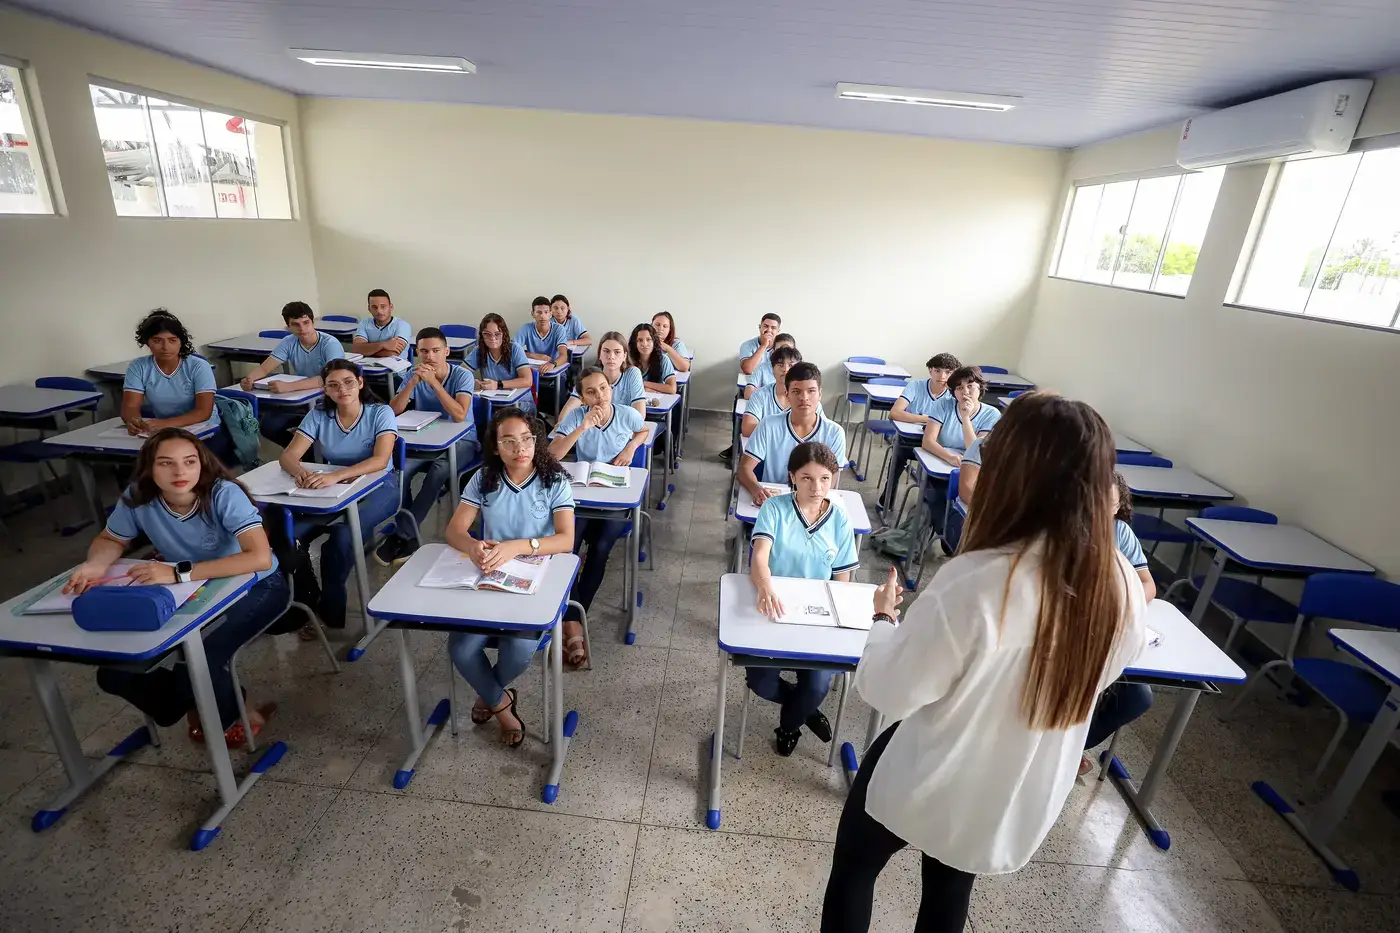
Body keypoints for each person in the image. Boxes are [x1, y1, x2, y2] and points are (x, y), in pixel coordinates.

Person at [821, 392, 1147, 933]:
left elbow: (887, 689)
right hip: (1013, 780)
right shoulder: (1119, 581)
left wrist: (882, 622)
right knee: (949, 891)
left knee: (855, 867)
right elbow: (1103, 675)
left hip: (935, 763)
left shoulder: (980, 582)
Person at [66, 429, 286, 747]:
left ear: (202, 463)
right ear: (149, 469)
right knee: (114, 671)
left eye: (189, 461)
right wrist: (94, 565)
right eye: (166, 463)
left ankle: (227, 714)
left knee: (205, 656)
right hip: (191, 590)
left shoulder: (223, 493)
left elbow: (260, 558)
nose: (180, 472)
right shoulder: (138, 497)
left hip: (256, 585)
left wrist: (179, 573)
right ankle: (187, 702)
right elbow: (111, 539)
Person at [445, 408, 575, 748]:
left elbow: (565, 540)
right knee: (461, 649)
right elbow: (455, 530)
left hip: (538, 576)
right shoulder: (483, 478)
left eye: (527, 439)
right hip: (490, 574)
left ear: (536, 442)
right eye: (509, 441)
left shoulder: (554, 480)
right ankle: (503, 707)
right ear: (496, 447)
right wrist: (472, 546)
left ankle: (489, 696)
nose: (520, 448)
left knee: (518, 650)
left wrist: (521, 546)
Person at [748, 442, 859, 756]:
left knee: (818, 686)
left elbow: (842, 581)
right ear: (793, 477)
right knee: (761, 681)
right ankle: (805, 709)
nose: (817, 487)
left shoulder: (839, 519)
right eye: (807, 478)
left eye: (825, 479)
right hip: (773, 607)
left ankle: (788, 725)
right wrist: (765, 586)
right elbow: (760, 557)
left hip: (815, 615)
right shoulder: (775, 508)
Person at [279, 359, 400, 629]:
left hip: (380, 486)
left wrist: (335, 475)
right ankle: (307, 598)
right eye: (333, 385)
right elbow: (288, 455)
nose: (341, 390)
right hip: (333, 490)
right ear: (325, 390)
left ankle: (330, 612)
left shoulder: (380, 413)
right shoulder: (319, 414)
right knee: (288, 536)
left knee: (341, 538)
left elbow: (380, 460)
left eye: (347, 382)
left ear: (360, 383)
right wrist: (299, 471)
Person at [549, 368, 649, 667]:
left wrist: (632, 446)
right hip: (581, 495)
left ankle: (573, 620)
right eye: (591, 392)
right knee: (566, 546)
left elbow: (643, 430)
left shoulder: (627, 414)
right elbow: (553, 454)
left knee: (601, 548)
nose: (600, 396)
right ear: (582, 397)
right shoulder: (577, 416)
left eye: (604, 389)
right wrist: (582, 428)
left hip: (615, 498)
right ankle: (574, 625)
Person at [378, 327, 480, 566]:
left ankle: (402, 533)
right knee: (401, 468)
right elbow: (393, 411)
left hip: (463, 439)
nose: (430, 356)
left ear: (446, 351)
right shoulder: (415, 374)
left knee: (438, 472)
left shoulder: (462, 375)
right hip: (425, 439)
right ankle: (410, 534)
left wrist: (434, 383)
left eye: (435, 351)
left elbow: (459, 414)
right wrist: (412, 383)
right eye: (424, 351)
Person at [739, 362, 847, 505]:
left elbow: (831, 481)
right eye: (796, 391)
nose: (804, 397)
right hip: (773, 501)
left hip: (812, 503)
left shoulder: (834, 433)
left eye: (811, 391)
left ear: (820, 394)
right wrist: (757, 490)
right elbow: (744, 469)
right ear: (787, 395)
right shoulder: (769, 425)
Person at [240, 301, 346, 445]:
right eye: (296, 324)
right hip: (303, 398)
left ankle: (311, 452)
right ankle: (304, 454)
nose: (302, 328)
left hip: (330, 400)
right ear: (288, 327)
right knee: (269, 426)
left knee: (317, 429)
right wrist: (249, 379)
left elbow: (329, 379)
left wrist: (290, 387)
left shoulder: (330, 343)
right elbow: (265, 368)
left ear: (313, 321)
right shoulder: (289, 342)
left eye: (306, 322)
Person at [122, 309, 220, 437]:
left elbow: (203, 412)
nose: (165, 347)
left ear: (181, 342)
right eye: (157, 341)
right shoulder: (138, 367)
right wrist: (134, 421)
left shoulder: (199, 366)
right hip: (165, 431)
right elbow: (130, 406)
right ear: (147, 342)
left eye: (172, 340)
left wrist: (165, 424)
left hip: (205, 430)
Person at [721, 312, 782, 462]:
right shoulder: (748, 345)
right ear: (759, 327)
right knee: (740, 407)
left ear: (778, 331)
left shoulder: (782, 347)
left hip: (776, 393)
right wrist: (763, 346)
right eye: (765, 326)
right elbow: (747, 369)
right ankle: (736, 447)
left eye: (773, 328)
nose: (769, 330)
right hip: (751, 391)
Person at [921, 366, 1001, 467]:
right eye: (959, 388)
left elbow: (975, 453)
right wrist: (949, 457)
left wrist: (965, 418)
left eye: (970, 386)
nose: (965, 392)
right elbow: (927, 441)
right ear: (954, 392)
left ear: (980, 387)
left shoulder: (992, 414)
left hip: (972, 465)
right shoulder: (943, 404)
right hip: (941, 458)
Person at [558, 331, 645, 420]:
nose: (611, 357)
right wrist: (561, 425)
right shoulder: (589, 375)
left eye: (617, 352)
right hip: (595, 427)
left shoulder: (632, 373)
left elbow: (640, 415)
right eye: (606, 351)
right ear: (600, 354)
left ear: (624, 356)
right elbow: (569, 407)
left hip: (623, 429)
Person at [740, 346, 801, 438]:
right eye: (780, 365)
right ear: (772, 370)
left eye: (791, 365)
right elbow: (747, 429)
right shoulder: (759, 395)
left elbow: (821, 431)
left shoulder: (808, 398)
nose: (785, 369)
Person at [465, 313, 534, 393]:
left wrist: (498, 385)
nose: (492, 338)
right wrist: (473, 382)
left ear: (504, 334)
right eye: (487, 334)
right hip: (491, 399)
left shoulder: (515, 349)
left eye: (497, 334)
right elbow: (460, 373)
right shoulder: (479, 350)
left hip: (517, 400)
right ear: (481, 335)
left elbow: (527, 381)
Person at [890, 353, 961, 425]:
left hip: (938, 435)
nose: (942, 376)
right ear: (930, 371)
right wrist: (933, 419)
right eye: (937, 371)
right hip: (909, 433)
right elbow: (894, 413)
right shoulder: (915, 386)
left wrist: (953, 391)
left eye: (948, 372)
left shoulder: (955, 393)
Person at [353, 288, 412, 359]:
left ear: (391, 307)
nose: (379, 311)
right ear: (369, 308)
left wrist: (367, 350)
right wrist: (383, 345)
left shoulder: (402, 325)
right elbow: (356, 349)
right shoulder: (364, 323)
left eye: (383, 306)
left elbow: (393, 353)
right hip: (367, 367)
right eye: (374, 307)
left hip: (395, 369)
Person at [516, 296, 570, 369]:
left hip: (555, 370)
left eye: (546, 312)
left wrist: (552, 364)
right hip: (533, 370)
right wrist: (535, 355)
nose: (542, 316)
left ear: (550, 314)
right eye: (538, 312)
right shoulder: (526, 328)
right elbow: (511, 349)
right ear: (532, 314)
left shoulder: (559, 329)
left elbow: (564, 356)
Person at [628, 323, 677, 395]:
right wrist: (643, 389)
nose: (644, 344)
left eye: (648, 339)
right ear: (635, 343)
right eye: (640, 340)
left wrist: (643, 383)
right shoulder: (628, 360)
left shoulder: (663, 359)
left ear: (654, 341)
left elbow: (672, 389)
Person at [744, 332, 796, 400]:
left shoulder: (799, 370)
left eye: (787, 350)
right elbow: (748, 394)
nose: (783, 354)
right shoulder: (762, 368)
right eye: (779, 350)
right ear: (773, 351)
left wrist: (760, 392)